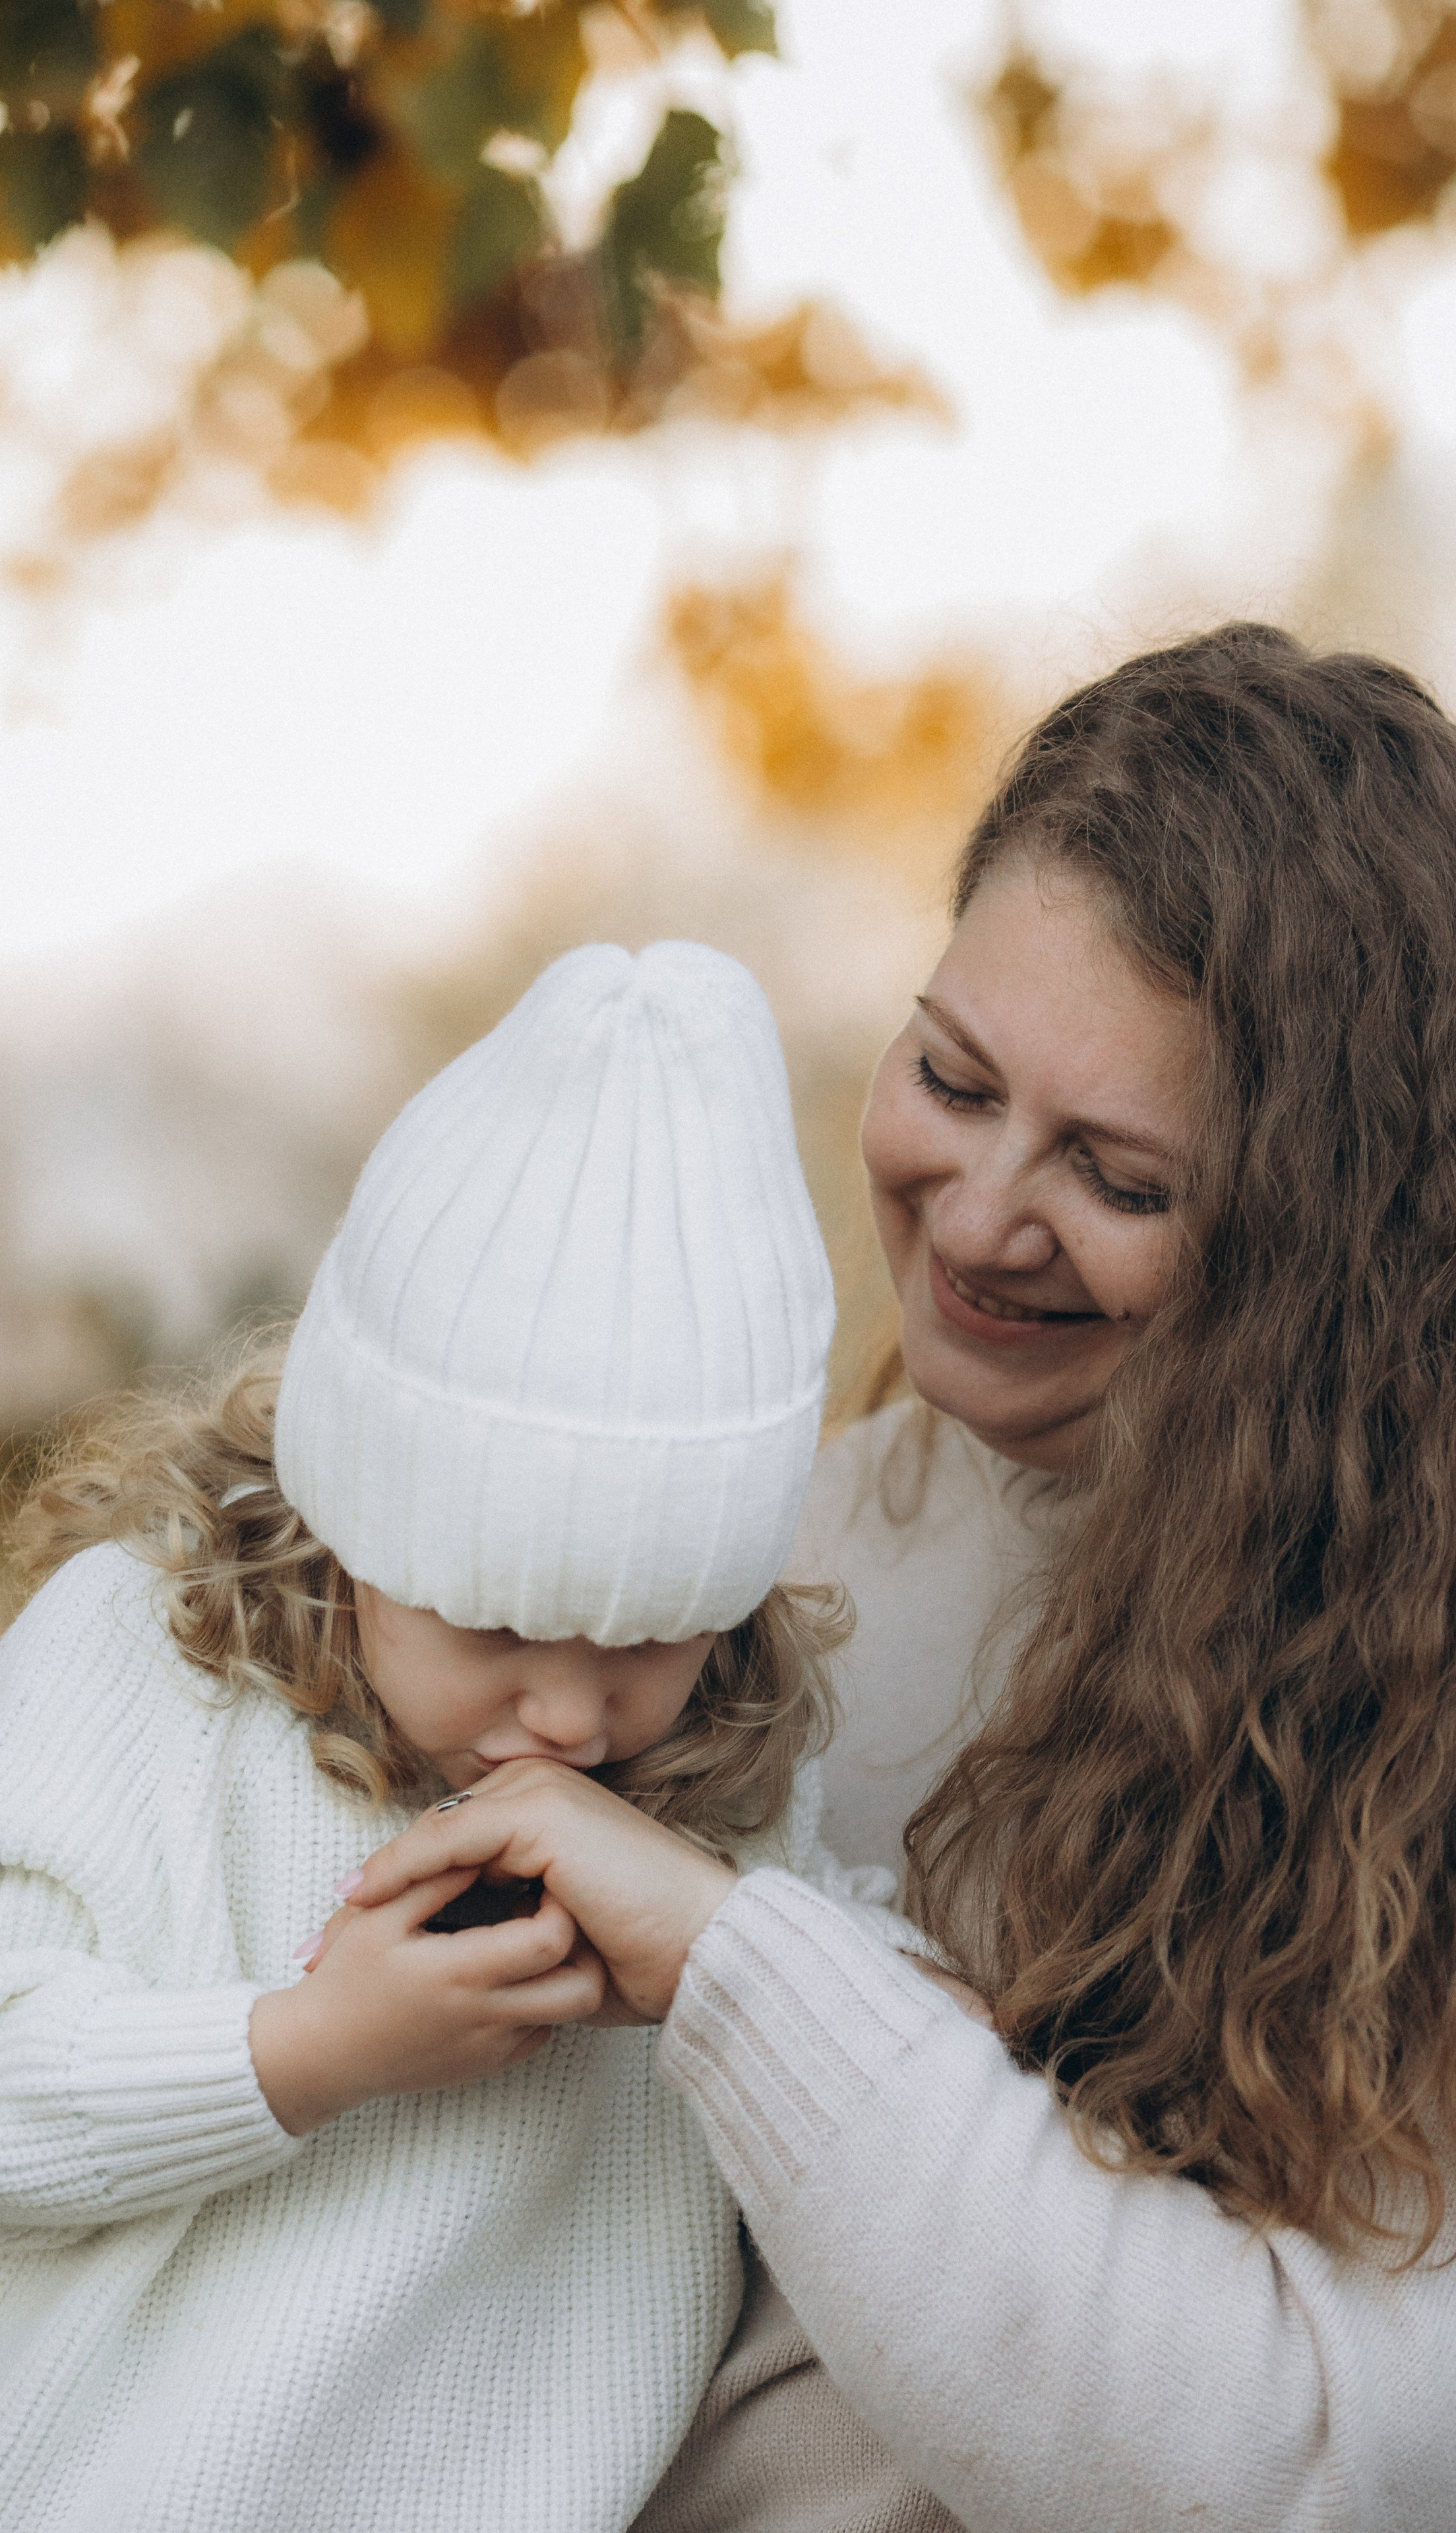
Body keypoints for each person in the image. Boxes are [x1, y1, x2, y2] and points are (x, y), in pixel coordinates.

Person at [345, 626, 1456, 2533]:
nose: (979, 1221)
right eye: (954, 1079)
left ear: (1344, 1253)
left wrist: (739, 1961)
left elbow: (1318, 2468)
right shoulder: (778, 1561)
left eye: (1123, 1182)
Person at [0, 941, 930, 2533]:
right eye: (492, 1627)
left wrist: (740, 1958)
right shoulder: (138, 1659)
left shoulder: (727, 1794)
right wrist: (309, 2049)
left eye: (646, 1639)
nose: (568, 1717)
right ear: (350, 1519)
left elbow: (890, 2080)